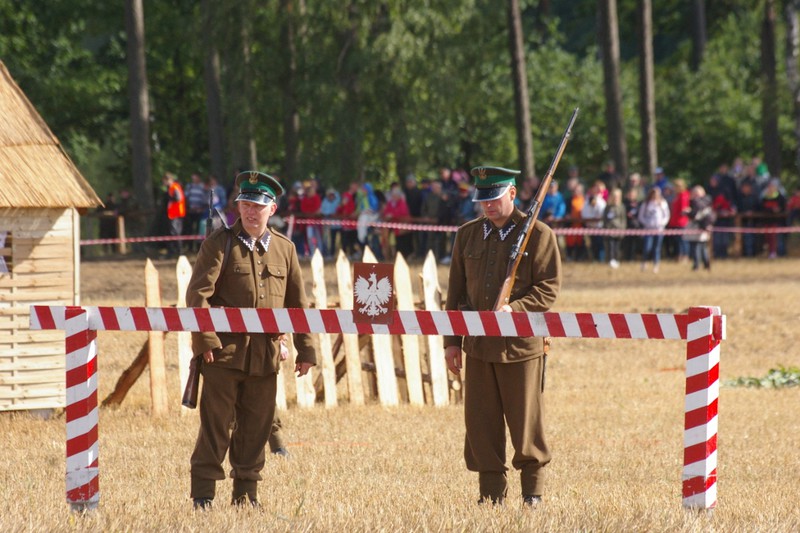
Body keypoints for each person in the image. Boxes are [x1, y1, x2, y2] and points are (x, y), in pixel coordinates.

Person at [186, 171, 316, 509]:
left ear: (272, 208)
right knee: (215, 428)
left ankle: (246, 497)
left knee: (256, 430)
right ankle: (203, 497)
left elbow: (297, 304)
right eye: (245, 204)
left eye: (258, 206)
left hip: (265, 357)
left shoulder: (285, 250)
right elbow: (197, 296)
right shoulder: (219, 243)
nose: (250, 211)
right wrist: (206, 342)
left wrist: (306, 350)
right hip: (223, 355)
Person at [443, 166, 561, 507]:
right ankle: (491, 495)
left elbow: (548, 288)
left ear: (511, 193)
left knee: (526, 425)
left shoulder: (538, 235)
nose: (488, 206)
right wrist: (452, 342)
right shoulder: (467, 235)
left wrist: (517, 309)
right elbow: (456, 294)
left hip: (520, 347)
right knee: (481, 424)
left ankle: (532, 494)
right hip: (478, 347)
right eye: (483, 200)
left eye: (494, 199)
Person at [637, 186, 670, 273]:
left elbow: (666, 215)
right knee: (647, 247)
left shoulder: (663, 203)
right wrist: (647, 223)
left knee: (657, 248)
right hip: (648, 229)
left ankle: (656, 265)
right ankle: (644, 263)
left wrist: (662, 223)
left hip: (659, 229)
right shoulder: (646, 203)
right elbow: (641, 216)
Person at [685, 185, 715, 270]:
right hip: (704, 226)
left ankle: (697, 265)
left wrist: (688, 212)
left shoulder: (696, 202)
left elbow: (695, 215)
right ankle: (706, 264)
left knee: (696, 246)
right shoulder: (707, 201)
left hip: (698, 226)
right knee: (703, 246)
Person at [162, 172, 186, 257]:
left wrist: (169, 197)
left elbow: (178, 198)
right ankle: (175, 251)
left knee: (175, 233)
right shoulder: (171, 188)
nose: (164, 183)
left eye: (165, 181)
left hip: (176, 214)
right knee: (173, 232)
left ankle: (179, 252)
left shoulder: (174, 187)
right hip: (173, 214)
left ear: (169, 180)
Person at [602, 188, 626, 268]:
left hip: (618, 230)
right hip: (609, 231)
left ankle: (616, 259)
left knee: (617, 247)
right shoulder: (608, 207)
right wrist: (606, 229)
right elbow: (605, 219)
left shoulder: (621, 207)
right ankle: (610, 260)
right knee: (610, 247)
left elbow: (623, 219)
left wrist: (622, 230)